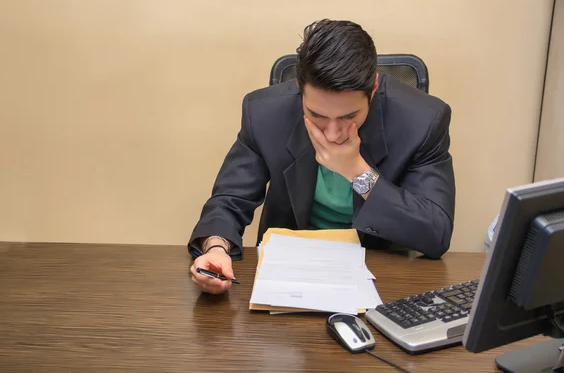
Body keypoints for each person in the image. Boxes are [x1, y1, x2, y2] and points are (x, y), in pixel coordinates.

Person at [188, 19, 456, 295]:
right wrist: (217, 247)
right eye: (317, 115)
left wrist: (357, 172)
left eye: (349, 116)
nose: (332, 133)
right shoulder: (264, 113)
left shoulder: (423, 121)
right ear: (299, 90)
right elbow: (230, 200)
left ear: (373, 89)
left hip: (381, 276)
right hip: (289, 275)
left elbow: (435, 235)